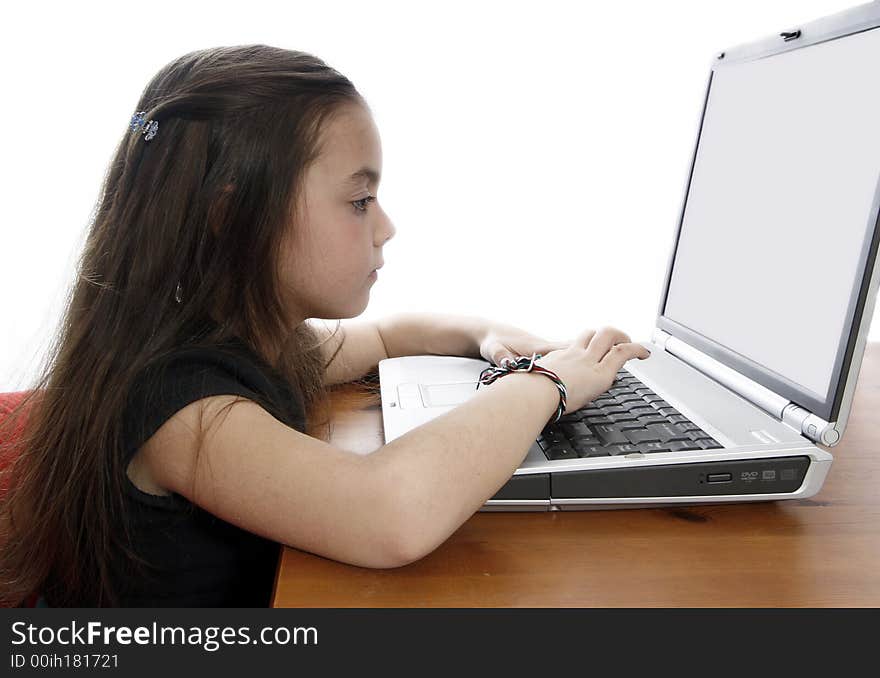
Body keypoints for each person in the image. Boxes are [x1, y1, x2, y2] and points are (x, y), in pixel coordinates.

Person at [0, 44, 649, 607]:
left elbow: (391, 337)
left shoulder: (247, 335)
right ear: (233, 217)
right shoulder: (180, 405)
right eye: (359, 200)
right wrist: (544, 384)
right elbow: (388, 513)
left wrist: (480, 333)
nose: (386, 226)